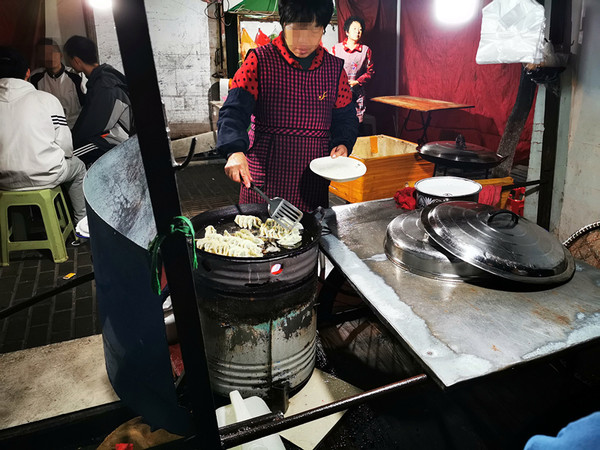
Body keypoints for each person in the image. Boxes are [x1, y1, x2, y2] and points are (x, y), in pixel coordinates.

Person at [216, 0, 359, 213]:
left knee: (310, 230)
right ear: (283, 24)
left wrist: (343, 142)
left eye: (313, 31)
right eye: (295, 30)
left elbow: (345, 117)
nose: (303, 41)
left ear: (323, 28)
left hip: (312, 180)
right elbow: (234, 111)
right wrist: (234, 150)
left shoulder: (335, 69)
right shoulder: (259, 61)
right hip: (264, 180)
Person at [0, 46, 87, 224]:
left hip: (3, 180)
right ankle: (82, 224)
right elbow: (66, 147)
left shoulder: (72, 78)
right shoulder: (46, 99)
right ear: (27, 73)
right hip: (46, 173)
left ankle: (20, 233)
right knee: (79, 168)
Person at [63, 35, 133, 167]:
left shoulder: (105, 86)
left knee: (69, 158)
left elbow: (91, 126)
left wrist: (69, 144)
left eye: (69, 60)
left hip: (122, 142)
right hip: (117, 136)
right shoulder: (104, 76)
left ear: (76, 61)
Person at [30, 38, 85, 129]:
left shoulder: (76, 75)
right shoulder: (35, 78)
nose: (49, 57)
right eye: (44, 54)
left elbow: (86, 105)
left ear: (60, 55)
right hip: (49, 127)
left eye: (52, 52)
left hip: (76, 126)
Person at [332, 16, 374, 126]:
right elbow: (330, 70)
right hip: (339, 93)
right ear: (347, 31)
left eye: (360, 29)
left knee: (356, 124)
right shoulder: (336, 49)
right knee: (340, 124)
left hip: (357, 94)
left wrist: (358, 81)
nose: (358, 32)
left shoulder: (366, 51)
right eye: (354, 28)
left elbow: (370, 72)